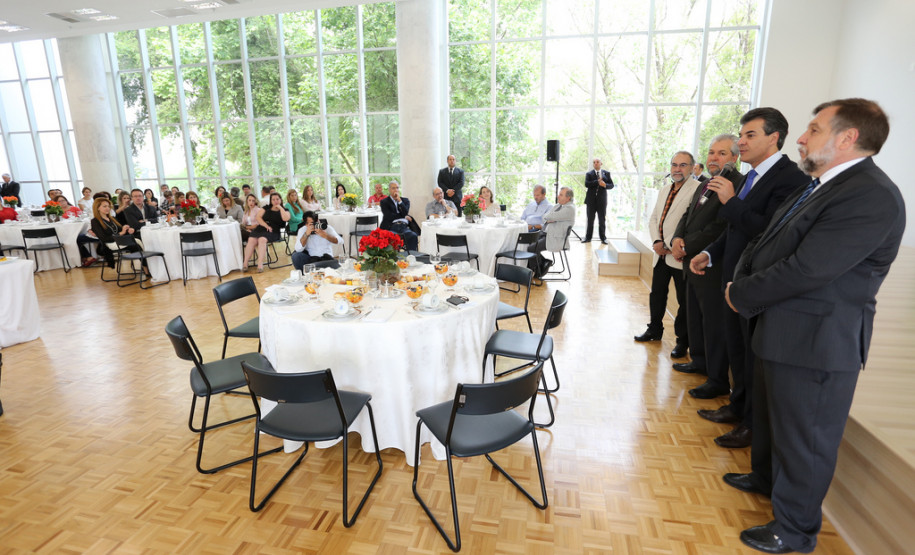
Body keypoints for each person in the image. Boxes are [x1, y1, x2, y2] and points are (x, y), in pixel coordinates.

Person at [724, 99, 905, 554]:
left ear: (847, 138)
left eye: (813, 129)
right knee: (777, 426)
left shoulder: (869, 195)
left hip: (816, 345)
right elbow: (769, 243)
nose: (802, 138)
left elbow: (806, 269)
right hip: (784, 333)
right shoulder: (823, 185)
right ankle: (766, 481)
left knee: (805, 443)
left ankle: (795, 530)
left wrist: (740, 293)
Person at [690, 107, 807, 451]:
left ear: (774, 137)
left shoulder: (790, 179)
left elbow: (768, 233)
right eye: (740, 136)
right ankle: (737, 407)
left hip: (756, 287)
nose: (741, 142)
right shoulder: (751, 177)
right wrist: (710, 252)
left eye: (750, 135)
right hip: (732, 281)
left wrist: (728, 200)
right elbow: (736, 228)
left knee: (752, 359)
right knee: (737, 352)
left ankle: (751, 425)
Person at [668, 134, 739, 401]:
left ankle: (716, 377)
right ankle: (698, 360)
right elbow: (688, 215)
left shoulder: (736, 185)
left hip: (712, 265)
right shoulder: (705, 183)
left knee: (713, 323)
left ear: (734, 157)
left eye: (721, 153)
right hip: (690, 261)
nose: (714, 158)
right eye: (711, 152)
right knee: (694, 317)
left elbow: (720, 226)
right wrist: (677, 238)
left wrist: (686, 245)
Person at [634, 151, 701, 359]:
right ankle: (654, 329)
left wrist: (672, 246)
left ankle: (682, 342)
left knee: (683, 301)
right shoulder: (664, 189)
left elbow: (693, 224)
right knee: (657, 294)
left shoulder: (698, 190)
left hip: (679, 255)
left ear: (692, 168)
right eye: (674, 165)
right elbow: (654, 218)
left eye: (682, 165)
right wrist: (656, 242)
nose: (677, 169)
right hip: (660, 253)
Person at [527, 187, 575, 279]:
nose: (558, 196)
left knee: (531, 248)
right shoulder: (558, 206)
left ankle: (536, 271)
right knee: (528, 242)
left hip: (555, 238)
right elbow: (544, 217)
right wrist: (549, 218)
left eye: (561, 195)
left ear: (568, 198)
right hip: (546, 233)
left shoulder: (570, 209)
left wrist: (550, 218)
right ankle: (544, 263)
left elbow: (549, 217)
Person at [90, 197, 141, 271]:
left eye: (108, 206)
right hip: (109, 244)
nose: (107, 208)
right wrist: (121, 233)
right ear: (97, 208)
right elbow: (104, 238)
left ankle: (145, 266)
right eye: (104, 206)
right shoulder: (95, 221)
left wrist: (128, 230)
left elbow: (121, 230)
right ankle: (146, 268)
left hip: (120, 241)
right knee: (135, 246)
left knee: (138, 240)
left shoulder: (112, 219)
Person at [244, 192, 289, 273]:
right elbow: (258, 217)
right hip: (262, 227)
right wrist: (266, 225)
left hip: (274, 231)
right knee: (251, 239)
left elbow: (286, 218)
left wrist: (280, 208)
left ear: (281, 200)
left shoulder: (285, 210)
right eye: (273, 199)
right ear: (270, 201)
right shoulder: (266, 207)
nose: (275, 201)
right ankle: (245, 263)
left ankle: (260, 264)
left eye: (277, 199)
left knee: (262, 239)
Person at [379, 181, 419, 251]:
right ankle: (393, 258)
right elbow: (389, 216)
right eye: (393, 188)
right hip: (391, 226)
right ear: (389, 190)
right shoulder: (384, 202)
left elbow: (405, 212)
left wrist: (400, 201)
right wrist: (404, 216)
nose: (396, 190)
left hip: (404, 226)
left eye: (397, 188)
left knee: (413, 236)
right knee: (390, 237)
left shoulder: (405, 201)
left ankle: (411, 256)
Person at [583, 158, 614, 244]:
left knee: (602, 220)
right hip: (591, 201)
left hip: (602, 201)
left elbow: (611, 185)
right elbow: (586, 184)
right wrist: (597, 182)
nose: (595, 163)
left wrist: (604, 185)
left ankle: (603, 238)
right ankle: (588, 237)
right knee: (590, 220)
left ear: (601, 163)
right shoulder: (589, 174)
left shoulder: (606, 173)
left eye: (597, 162)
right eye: (594, 162)